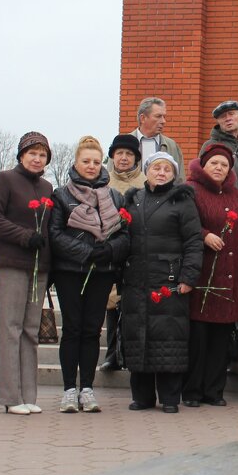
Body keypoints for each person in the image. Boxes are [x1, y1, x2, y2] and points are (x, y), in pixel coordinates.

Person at [49, 137, 131, 413]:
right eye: (86, 161)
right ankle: (69, 389)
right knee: (72, 329)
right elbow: (55, 234)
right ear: (76, 163)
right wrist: (85, 251)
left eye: (96, 162)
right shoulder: (62, 195)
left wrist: (107, 250)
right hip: (71, 271)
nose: (92, 166)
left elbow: (124, 235)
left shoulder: (114, 197)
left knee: (92, 331)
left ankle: (87, 388)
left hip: (102, 272)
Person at [121, 152, 203, 413]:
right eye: (156, 167)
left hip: (169, 278)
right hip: (137, 279)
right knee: (139, 334)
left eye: (167, 169)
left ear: (173, 173)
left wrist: (189, 276)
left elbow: (193, 241)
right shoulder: (134, 200)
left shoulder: (182, 200)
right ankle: (142, 397)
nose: (161, 172)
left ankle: (169, 397)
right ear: (147, 170)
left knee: (169, 335)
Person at [0, 132, 54, 415]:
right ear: (21, 155)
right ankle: (11, 397)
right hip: (12, 263)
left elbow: (50, 228)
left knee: (30, 331)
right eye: (32, 153)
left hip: (38, 269)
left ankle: (29, 394)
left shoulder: (48, 187)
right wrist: (25, 236)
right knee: (11, 328)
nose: (37, 159)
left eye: (42, 155)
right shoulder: (5, 179)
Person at [183, 143, 238, 407]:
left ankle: (214, 391)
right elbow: (183, 223)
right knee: (198, 338)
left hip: (229, 275)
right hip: (203, 273)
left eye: (224, 165)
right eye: (214, 164)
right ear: (204, 165)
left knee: (221, 339)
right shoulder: (191, 190)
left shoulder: (235, 194)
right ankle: (193, 391)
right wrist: (204, 235)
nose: (219, 168)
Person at [101, 133, 145, 371]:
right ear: (113, 157)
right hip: (112, 250)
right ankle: (112, 354)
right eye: (120, 154)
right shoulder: (103, 183)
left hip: (138, 251)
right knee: (111, 302)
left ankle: (130, 353)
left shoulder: (146, 182)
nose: (124, 158)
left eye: (129, 154)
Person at [126, 97, 184, 181]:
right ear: (143, 118)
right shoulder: (123, 144)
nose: (163, 121)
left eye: (164, 116)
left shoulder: (172, 146)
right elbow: (111, 177)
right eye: (158, 116)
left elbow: (179, 180)